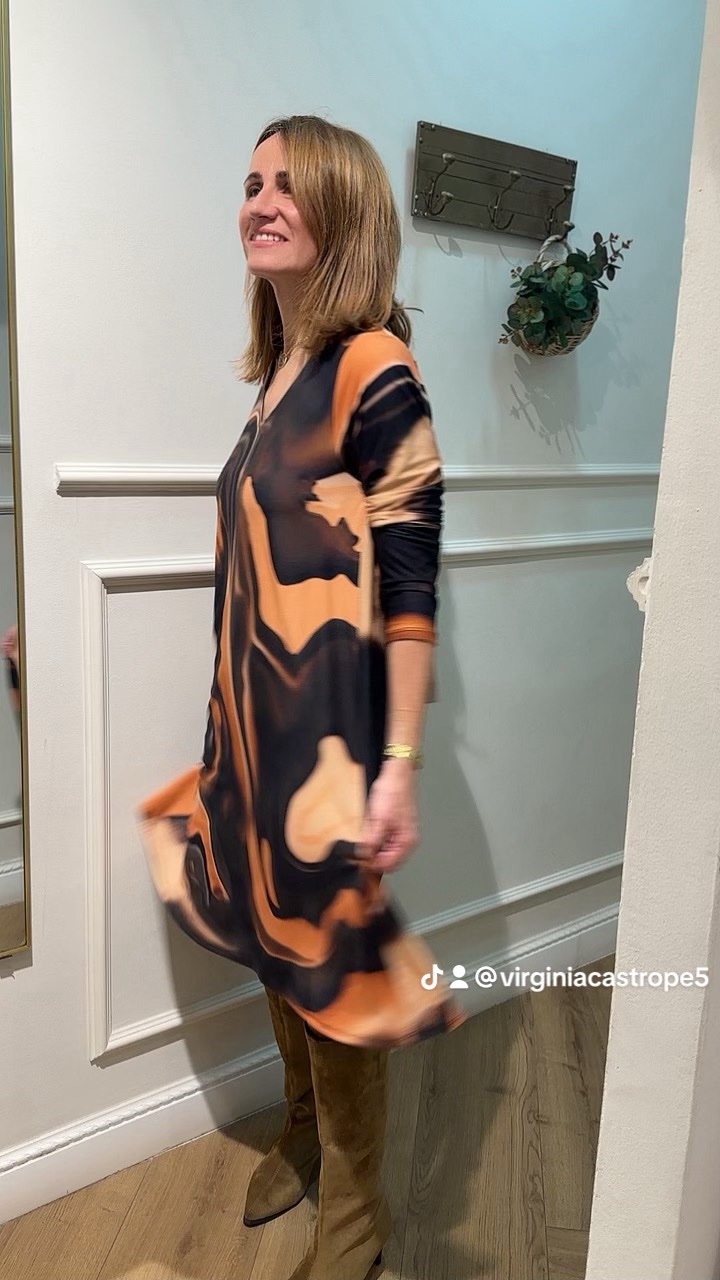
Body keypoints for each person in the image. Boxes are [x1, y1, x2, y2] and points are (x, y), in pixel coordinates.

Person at [136, 113, 466, 1280]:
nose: (261, 201)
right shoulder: (273, 379)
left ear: (346, 211)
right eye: (251, 182)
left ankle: (358, 1218)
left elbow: (413, 585)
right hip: (249, 732)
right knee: (269, 941)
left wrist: (400, 766)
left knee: (330, 966)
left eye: (291, 184)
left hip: (329, 744)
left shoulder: (375, 367)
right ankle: (304, 1124)